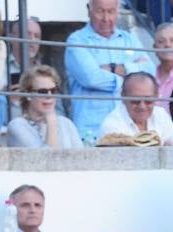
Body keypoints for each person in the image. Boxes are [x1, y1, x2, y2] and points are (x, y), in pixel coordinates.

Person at [66, 0, 156, 144]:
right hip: (91, 132)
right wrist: (132, 80)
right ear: (89, 10)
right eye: (100, 11)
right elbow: (92, 78)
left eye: (111, 11)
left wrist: (115, 68)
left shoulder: (129, 39)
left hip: (127, 130)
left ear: (118, 11)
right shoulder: (76, 40)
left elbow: (150, 72)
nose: (106, 18)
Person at [6, 64, 84, 148]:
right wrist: (51, 123)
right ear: (28, 95)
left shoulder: (66, 123)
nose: (49, 96)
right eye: (43, 91)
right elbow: (46, 159)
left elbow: (82, 158)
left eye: (53, 91)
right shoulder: (17, 126)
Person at [98, 71, 173, 144]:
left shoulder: (160, 114)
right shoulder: (111, 125)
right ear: (123, 96)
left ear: (156, 96)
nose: (142, 106)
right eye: (135, 100)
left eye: (148, 100)